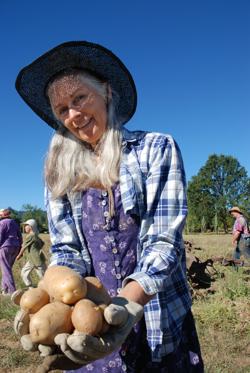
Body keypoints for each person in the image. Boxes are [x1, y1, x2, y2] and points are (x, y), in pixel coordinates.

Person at [15, 41, 204, 372]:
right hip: (92, 325)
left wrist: (127, 304)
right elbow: (66, 249)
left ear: (106, 92)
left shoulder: (155, 149)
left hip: (156, 315)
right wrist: (56, 303)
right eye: (62, 109)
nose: (73, 114)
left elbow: (164, 240)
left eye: (80, 98)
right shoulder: (60, 172)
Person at [16, 219, 46, 287]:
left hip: (36, 260)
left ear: (30, 226)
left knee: (43, 276)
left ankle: (48, 289)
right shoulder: (35, 235)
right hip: (33, 259)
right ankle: (30, 288)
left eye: (26, 226)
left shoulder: (30, 236)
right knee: (24, 272)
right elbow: (42, 243)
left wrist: (19, 255)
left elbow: (23, 247)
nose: (25, 227)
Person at [0, 208, 22, 295]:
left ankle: (13, 291)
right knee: (7, 269)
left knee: (6, 270)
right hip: (16, 247)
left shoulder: (2, 223)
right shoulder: (14, 223)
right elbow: (20, 236)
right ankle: (4, 290)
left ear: (2, 215)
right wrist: (20, 248)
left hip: (5, 247)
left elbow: (0, 236)